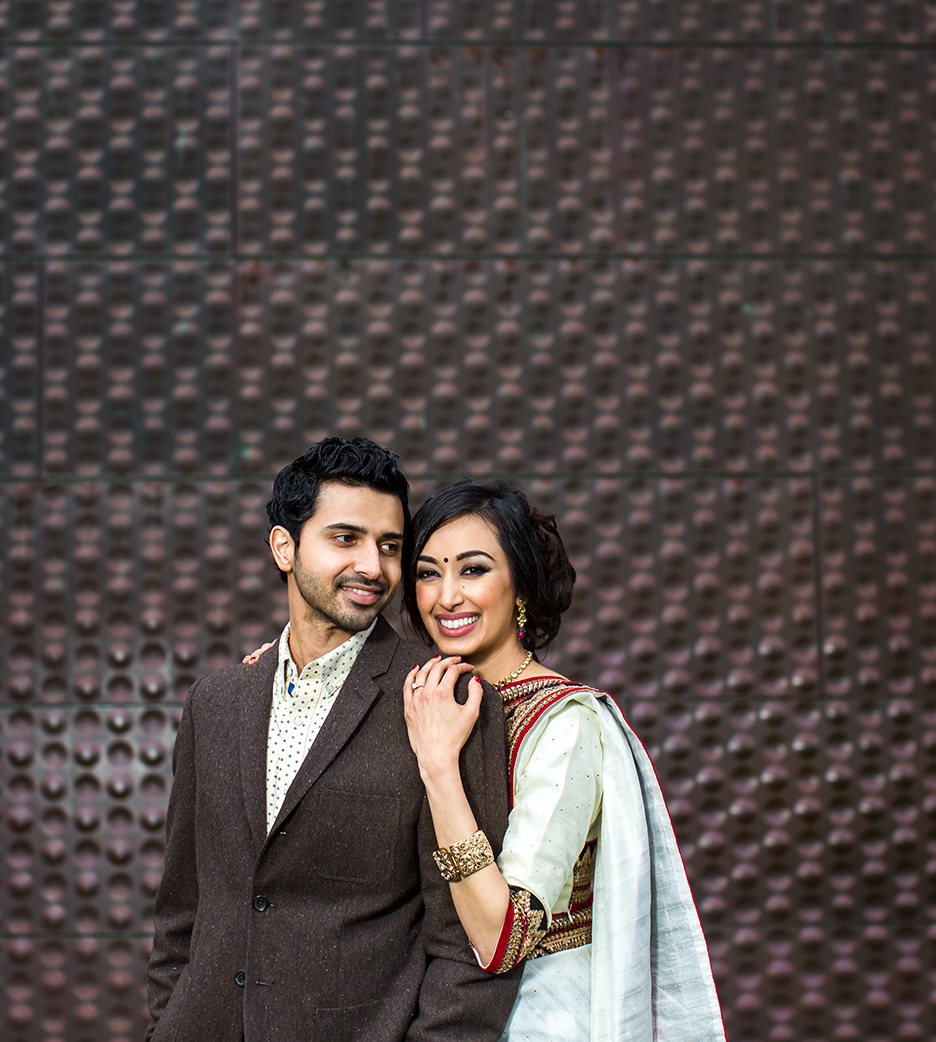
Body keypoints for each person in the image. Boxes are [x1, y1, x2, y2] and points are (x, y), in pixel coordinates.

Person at [146, 438, 523, 1042]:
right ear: (284, 547)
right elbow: (181, 910)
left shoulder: (444, 701)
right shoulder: (215, 704)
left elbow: (468, 947)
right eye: (345, 538)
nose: (374, 566)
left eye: (390, 546)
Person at [400, 480, 726, 1042]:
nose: (446, 596)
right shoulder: (427, 700)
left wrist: (439, 765)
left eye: (473, 569)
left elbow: (504, 938)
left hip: (541, 1016)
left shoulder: (565, 724)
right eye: (428, 572)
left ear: (520, 586)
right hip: (433, 1015)